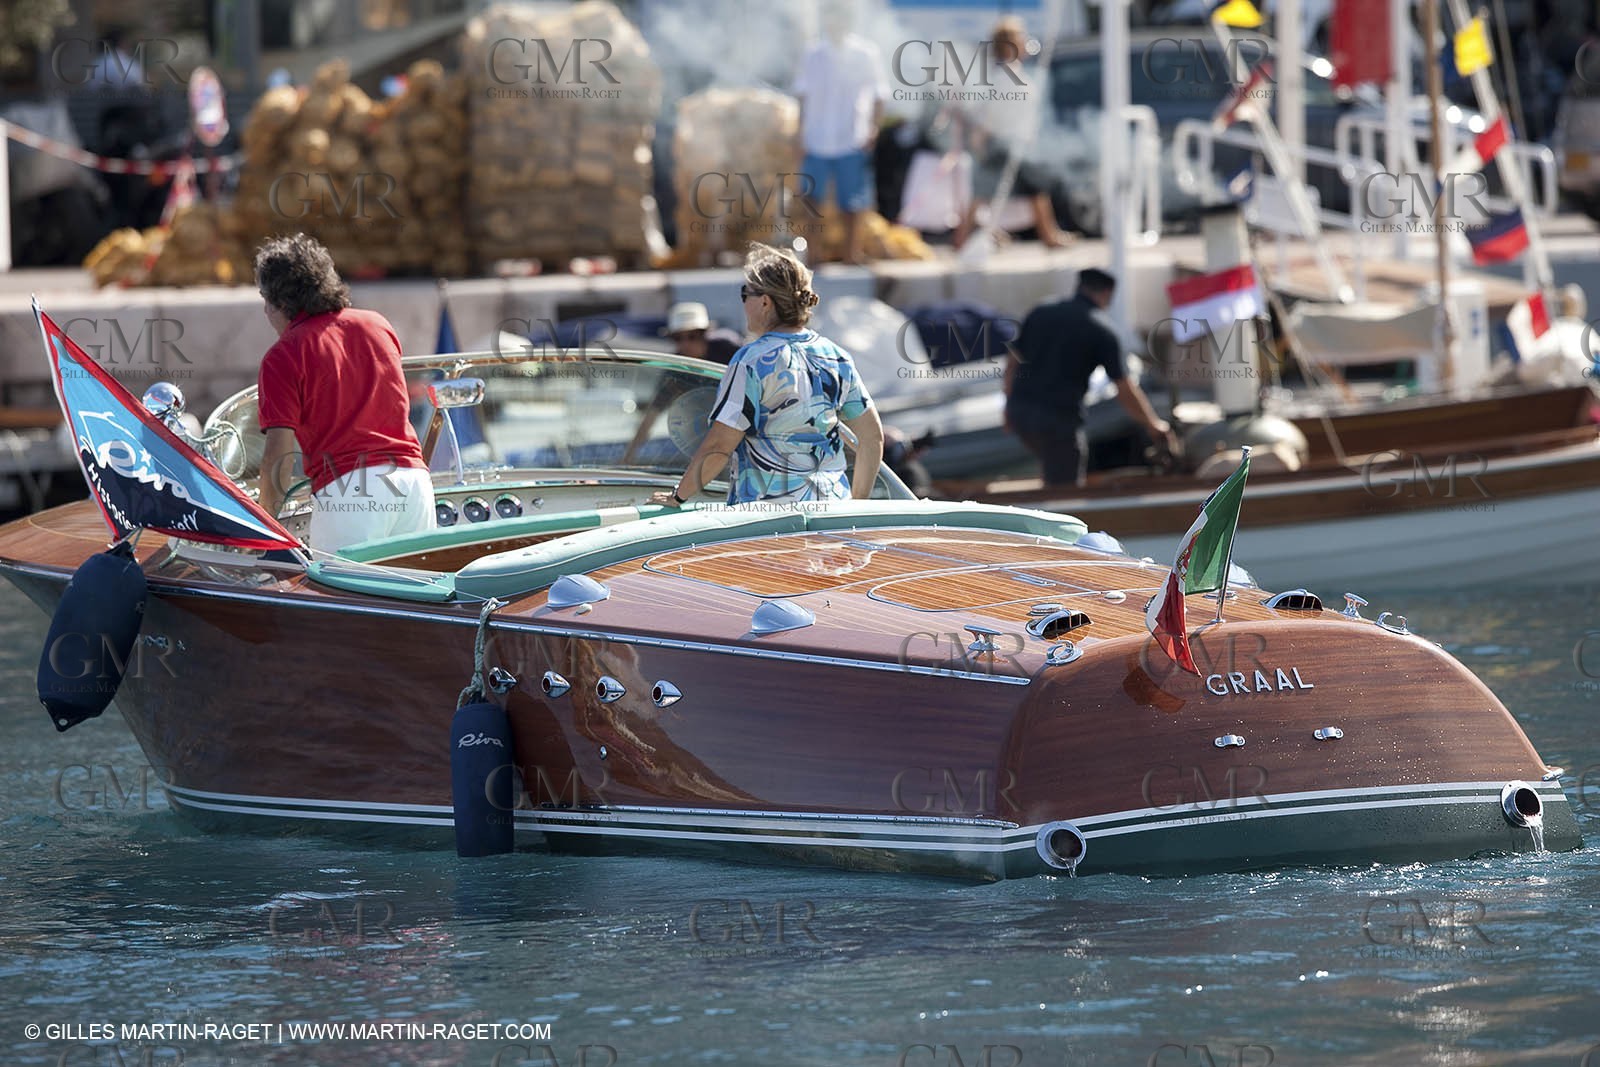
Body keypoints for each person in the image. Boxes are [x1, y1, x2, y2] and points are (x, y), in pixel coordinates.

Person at [650, 244, 884, 507]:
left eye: (744, 294)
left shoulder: (750, 361)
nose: (743, 303)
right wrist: (858, 504)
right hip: (832, 510)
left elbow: (719, 447)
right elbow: (872, 437)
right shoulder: (836, 356)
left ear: (764, 302)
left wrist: (678, 496)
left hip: (767, 516)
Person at [254, 233, 436, 551]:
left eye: (265, 300)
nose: (265, 313)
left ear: (281, 302)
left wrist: (259, 525)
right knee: (416, 600)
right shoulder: (378, 326)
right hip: (414, 483)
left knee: (340, 599)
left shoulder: (282, 355)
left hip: (351, 493)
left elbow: (278, 459)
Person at [1005, 268, 1177, 487]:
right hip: (1058, 420)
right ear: (1107, 294)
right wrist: (1153, 425)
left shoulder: (1041, 311)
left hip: (1021, 414)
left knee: (1052, 464)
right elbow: (1124, 388)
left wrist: (1009, 404)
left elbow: (1012, 360)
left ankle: (1046, 490)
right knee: (1064, 489)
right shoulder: (1102, 329)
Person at [949, 17, 1072, 251]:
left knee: (994, 192)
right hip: (1006, 144)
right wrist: (983, 138)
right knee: (1030, 189)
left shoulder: (1006, 73)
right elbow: (990, 114)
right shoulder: (1003, 76)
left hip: (1012, 143)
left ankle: (962, 239)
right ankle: (1049, 236)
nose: (1025, 42)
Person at [791, 0, 890, 264]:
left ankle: (851, 254)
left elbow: (880, 95)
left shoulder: (865, 53)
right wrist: (799, 133)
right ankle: (814, 255)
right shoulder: (813, 54)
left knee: (853, 203)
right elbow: (802, 96)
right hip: (816, 139)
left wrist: (873, 128)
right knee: (812, 201)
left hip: (851, 139)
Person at [664, 302, 742, 366]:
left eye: (692, 336)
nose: (685, 344)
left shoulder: (728, 351)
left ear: (704, 334)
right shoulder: (674, 366)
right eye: (677, 338)